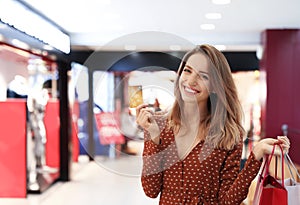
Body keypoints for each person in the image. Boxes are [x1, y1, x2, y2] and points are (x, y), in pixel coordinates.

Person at [135, 44, 290, 204]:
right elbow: (151, 191)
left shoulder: (228, 135)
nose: (191, 81)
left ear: (216, 86)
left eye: (203, 76)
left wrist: (256, 155)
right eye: (187, 71)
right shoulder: (158, 125)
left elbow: (227, 201)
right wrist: (153, 138)